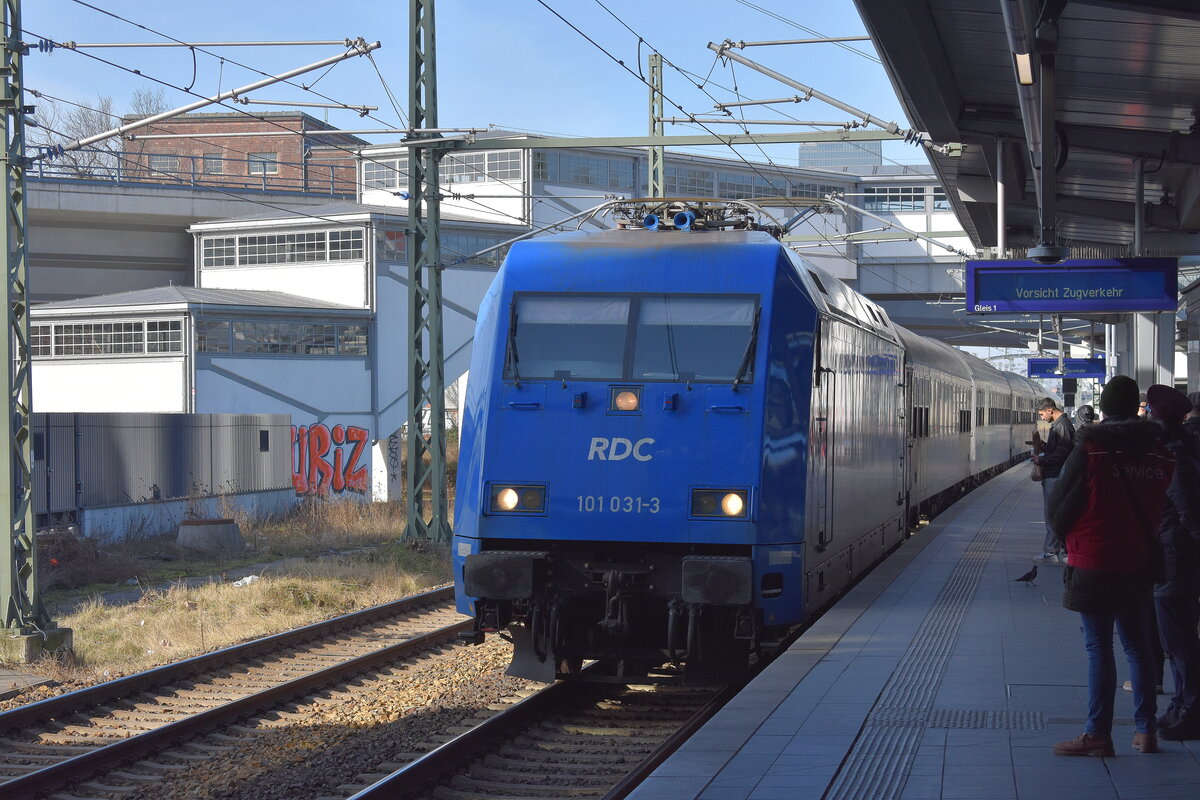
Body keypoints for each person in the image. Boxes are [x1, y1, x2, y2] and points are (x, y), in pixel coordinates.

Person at [1048, 375, 1174, 757]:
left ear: (1103, 407)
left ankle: (1098, 735)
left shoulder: (1091, 449)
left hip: (1094, 559)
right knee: (1138, 647)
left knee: (1099, 647)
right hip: (1138, 559)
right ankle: (1145, 732)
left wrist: (1064, 534)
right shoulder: (1160, 453)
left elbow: (1059, 506)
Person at [1146, 384, 1200, 740]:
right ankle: (1180, 704)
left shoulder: (1176, 456)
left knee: (1179, 643)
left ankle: (1191, 711)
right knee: (1176, 641)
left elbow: (1188, 512)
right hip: (1172, 556)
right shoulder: (1178, 448)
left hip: (1175, 559)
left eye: (1150, 411)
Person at [1034, 397, 1076, 565]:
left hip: (1055, 475)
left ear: (1050, 410)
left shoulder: (1062, 426)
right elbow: (1059, 449)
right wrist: (1046, 448)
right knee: (1053, 513)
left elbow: (1062, 453)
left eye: (1042, 414)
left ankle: (1051, 551)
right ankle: (1053, 550)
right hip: (1054, 473)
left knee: (1052, 513)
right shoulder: (1060, 425)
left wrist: (1042, 460)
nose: (1042, 417)